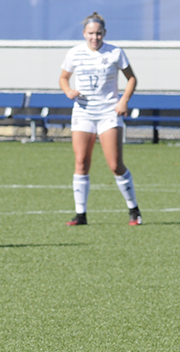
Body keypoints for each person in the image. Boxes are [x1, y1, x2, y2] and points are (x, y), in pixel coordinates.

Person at [59, 11, 140, 226]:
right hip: (83, 113)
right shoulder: (75, 53)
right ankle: (80, 215)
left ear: (104, 33)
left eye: (99, 33)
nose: (95, 38)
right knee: (81, 162)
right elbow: (63, 77)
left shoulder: (115, 53)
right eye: (91, 33)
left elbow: (131, 78)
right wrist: (68, 91)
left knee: (115, 164)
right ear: (84, 33)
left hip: (108, 114)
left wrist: (123, 100)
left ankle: (134, 210)